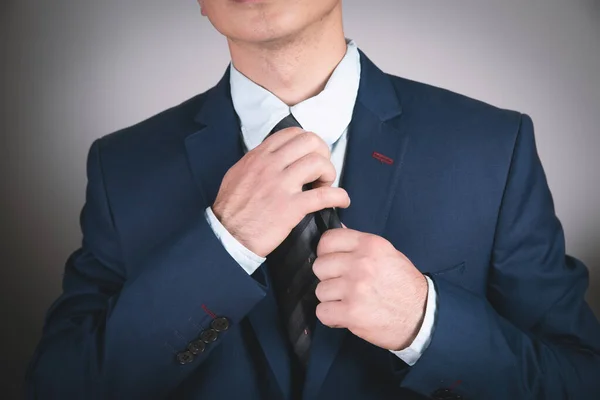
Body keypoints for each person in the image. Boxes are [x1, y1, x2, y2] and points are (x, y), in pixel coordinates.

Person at [26, 0, 600, 399]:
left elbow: (578, 380)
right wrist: (221, 246)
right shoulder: (120, 166)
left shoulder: (492, 148)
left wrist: (425, 323)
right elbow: (60, 386)